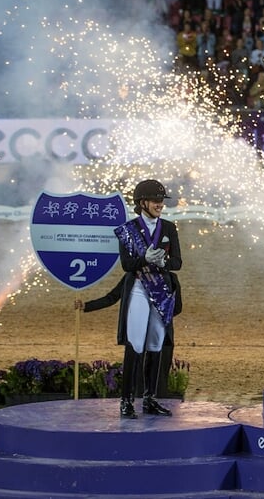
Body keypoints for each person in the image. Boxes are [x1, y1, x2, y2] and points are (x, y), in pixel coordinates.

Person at [78, 179, 182, 419]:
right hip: (138, 288)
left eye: (161, 201)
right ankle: (126, 401)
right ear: (142, 203)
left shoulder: (168, 228)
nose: (159, 205)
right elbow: (126, 265)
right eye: (155, 201)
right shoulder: (128, 230)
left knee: (156, 343)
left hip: (161, 291)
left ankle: (150, 398)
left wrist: (162, 261)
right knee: (135, 343)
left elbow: (177, 262)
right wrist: (146, 258)